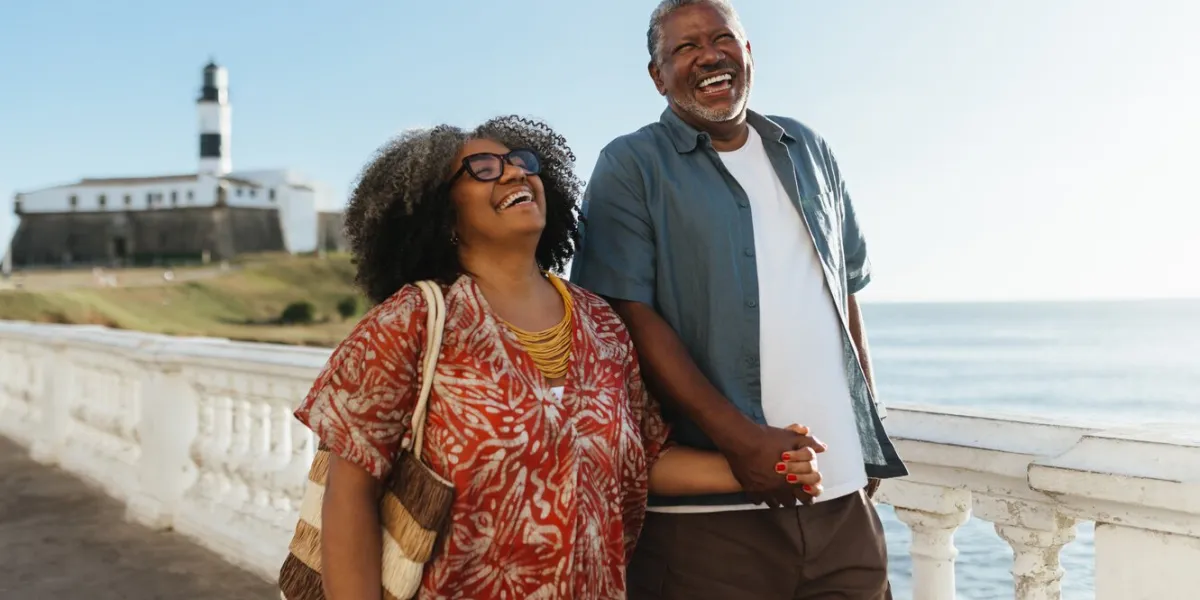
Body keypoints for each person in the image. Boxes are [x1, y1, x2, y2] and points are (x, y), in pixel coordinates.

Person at [290, 115, 822, 600]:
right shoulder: (415, 319)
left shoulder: (601, 323)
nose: (514, 175)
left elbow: (643, 460)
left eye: (522, 162)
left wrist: (764, 463)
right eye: (482, 169)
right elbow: (350, 491)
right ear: (441, 212)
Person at [570, 1, 909, 598]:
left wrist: (866, 425)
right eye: (684, 47)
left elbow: (844, 291)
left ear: (749, 51)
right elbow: (627, 317)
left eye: (722, 37)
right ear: (657, 76)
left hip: (842, 510)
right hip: (708, 528)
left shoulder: (809, 148)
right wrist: (740, 440)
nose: (709, 55)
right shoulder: (631, 165)